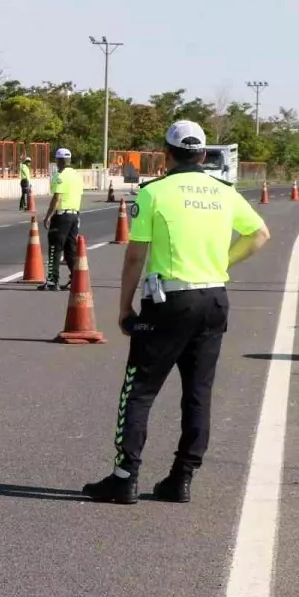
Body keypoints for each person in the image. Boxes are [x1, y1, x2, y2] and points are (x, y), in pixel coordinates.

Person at [82, 121, 271, 505]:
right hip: (213, 299)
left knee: (139, 391)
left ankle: (125, 477)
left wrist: (124, 307)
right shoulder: (224, 193)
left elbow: (136, 253)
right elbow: (260, 234)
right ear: (202, 154)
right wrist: (223, 263)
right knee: (198, 393)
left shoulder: (155, 192)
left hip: (169, 302)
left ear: (165, 154)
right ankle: (181, 478)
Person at [37, 147, 82, 291]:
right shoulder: (76, 175)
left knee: (54, 248)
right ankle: (77, 279)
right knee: (70, 250)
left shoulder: (60, 175)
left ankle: (52, 281)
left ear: (59, 160)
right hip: (74, 215)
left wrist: (48, 216)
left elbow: (57, 197)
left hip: (62, 215)